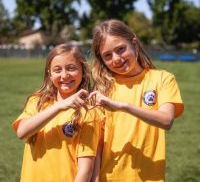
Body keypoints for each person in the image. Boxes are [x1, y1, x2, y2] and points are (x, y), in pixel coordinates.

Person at [90, 19, 184, 182]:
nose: (117, 59)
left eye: (120, 49)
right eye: (108, 55)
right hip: (109, 177)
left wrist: (123, 106)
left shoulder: (162, 79)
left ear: (134, 43)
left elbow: (166, 120)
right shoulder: (103, 88)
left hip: (150, 178)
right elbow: (96, 141)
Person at [12, 44, 100, 182]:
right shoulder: (37, 102)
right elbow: (22, 132)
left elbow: (86, 169)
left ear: (83, 71)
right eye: (57, 70)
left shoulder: (89, 112)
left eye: (71, 68)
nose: (64, 75)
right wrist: (59, 107)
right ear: (50, 74)